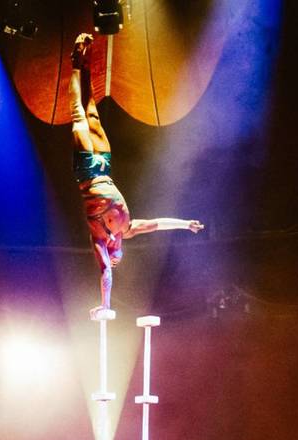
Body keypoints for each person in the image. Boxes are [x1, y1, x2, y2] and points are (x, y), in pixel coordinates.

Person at [67, 33, 205, 317]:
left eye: (114, 257)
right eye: (118, 257)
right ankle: (87, 64)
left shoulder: (99, 240)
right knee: (93, 115)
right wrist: (185, 224)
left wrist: (105, 305)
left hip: (87, 174)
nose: (116, 258)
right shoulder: (128, 230)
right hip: (104, 168)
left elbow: (105, 272)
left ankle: (75, 64)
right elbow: (157, 224)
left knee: (79, 116)